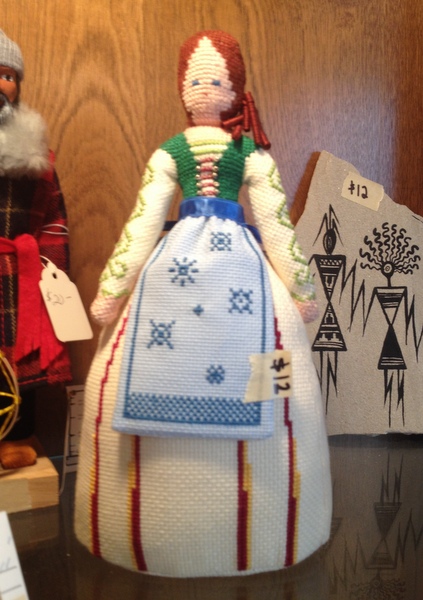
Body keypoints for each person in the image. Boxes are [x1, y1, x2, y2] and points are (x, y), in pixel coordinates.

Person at [75, 30, 331, 577]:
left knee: (275, 361)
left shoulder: (237, 152)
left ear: (236, 90)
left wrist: (112, 293)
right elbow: (145, 221)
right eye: (197, 80)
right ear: (183, 90)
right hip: (232, 275)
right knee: (274, 341)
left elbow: (271, 221)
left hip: (206, 269)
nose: (206, 89)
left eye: (216, 80)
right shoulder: (207, 152)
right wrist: (300, 292)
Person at [0, 30, 71, 469]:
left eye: (8, 76)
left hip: (20, 275)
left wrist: (51, 274)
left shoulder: (37, 154)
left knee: (21, 358)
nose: (0, 84)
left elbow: (54, 221)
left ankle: (14, 436)